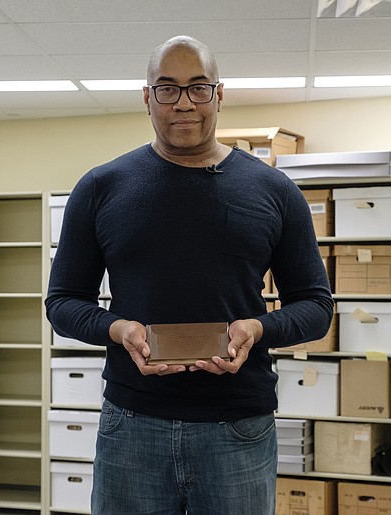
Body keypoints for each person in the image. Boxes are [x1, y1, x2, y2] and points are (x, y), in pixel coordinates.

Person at [45, 35, 333, 515]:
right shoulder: (100, 187)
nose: (183, 103)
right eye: (167, 88)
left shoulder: (275, 191)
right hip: (132, 424)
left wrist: (257, 329)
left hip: (238, 426)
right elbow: (63, 303)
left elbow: (316, 307)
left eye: (199, 88)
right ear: (147, 97)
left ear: (219, 95)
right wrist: (119, 330)